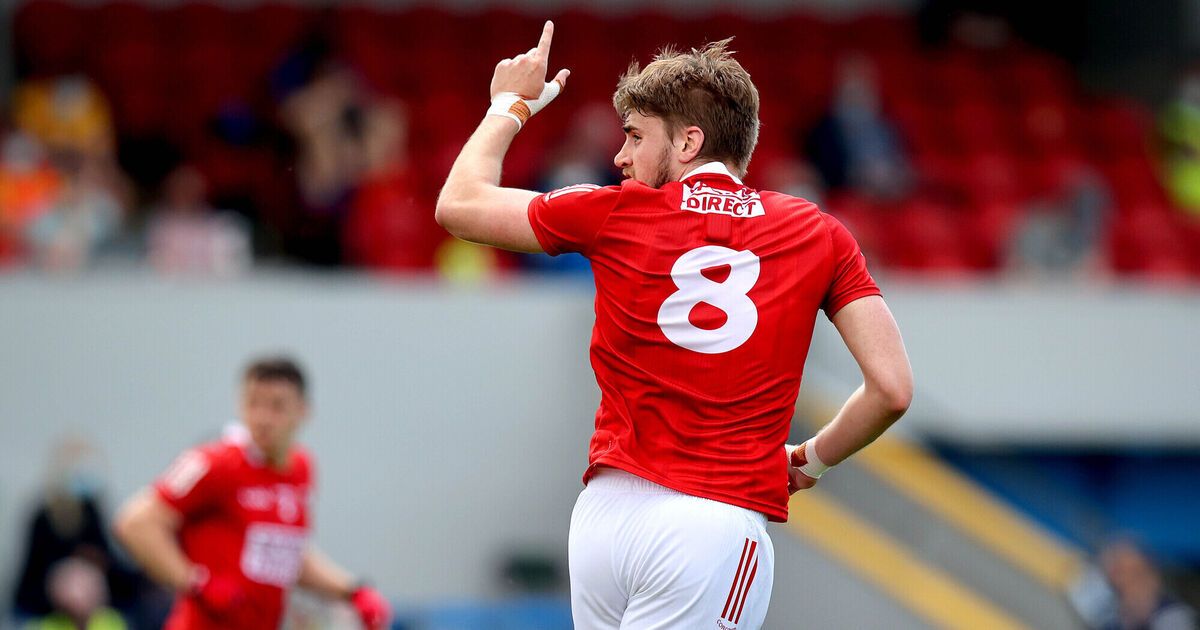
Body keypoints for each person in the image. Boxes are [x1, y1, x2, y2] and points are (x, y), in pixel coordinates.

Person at [435, 22, 913, 629]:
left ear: (689, 142)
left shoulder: (614, 211)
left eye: (635, 136)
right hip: (712, 523)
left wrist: (510, 105)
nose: (620, 156)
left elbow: (459, 205)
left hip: (604, 518)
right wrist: (809, 460)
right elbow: (891, 389)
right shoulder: (819, 232)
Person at [111, 357, 392, 630]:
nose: (262, 418)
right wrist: (196, 582)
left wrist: (353, 591)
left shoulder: (302, 468)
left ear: (304, 411)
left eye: (276, 406)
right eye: (253, 404)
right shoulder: (215, 462)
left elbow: (286, 554)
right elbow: (135, 523)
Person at [1100, 540, 1197, 630]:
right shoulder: (1112, 618)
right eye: (1115, 575)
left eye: (1132, 574)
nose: (1121, 582)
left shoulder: (1171, 616)